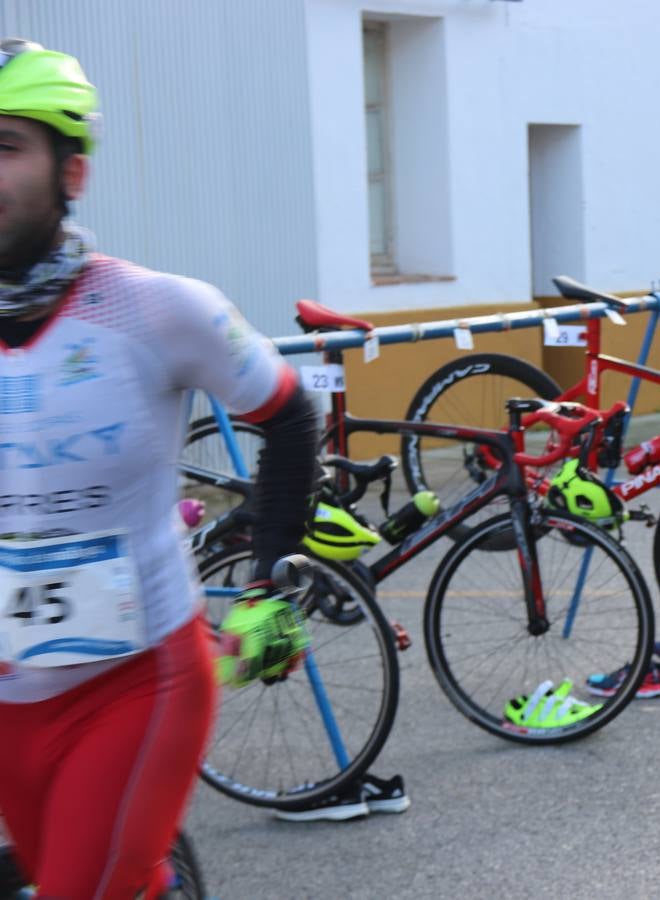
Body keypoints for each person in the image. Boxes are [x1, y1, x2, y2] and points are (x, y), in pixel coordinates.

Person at [0, 38, 323, 898]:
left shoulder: (152, 308)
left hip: (136, 684)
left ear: (72, 171)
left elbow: (290, 416)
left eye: (4, 145)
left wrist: (271, 582)